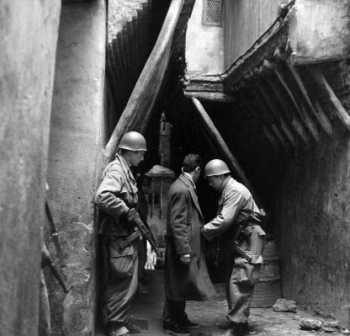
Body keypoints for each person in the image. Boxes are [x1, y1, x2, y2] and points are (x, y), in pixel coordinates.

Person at [95, 131, 157, 336]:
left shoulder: (125, 170)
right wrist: (124, 210)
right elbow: (103, 196)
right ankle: (115, 325)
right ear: (130, 152)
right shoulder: (116, 171)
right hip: (118, 239)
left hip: (124, 238)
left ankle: (118, 319)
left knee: (128, 281)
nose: (142, 157)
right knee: (121, 281)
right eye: (140, 153)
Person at [202, 159, 266, 336]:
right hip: (242, 237)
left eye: (211, 179)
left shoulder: (234, 191)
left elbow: (225, 219)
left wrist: (204, 231)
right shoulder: (228, 189)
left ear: (221, 176)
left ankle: (237, 326)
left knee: (240, 280)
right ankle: (238, 321)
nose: (210, 183)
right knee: (234, 279)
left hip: (250, 238)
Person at [163, 154, 216, 335]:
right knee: (177, 284)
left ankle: (179, 317)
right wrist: (183, 250)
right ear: (197, 170)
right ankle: (172, 321)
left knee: (181, 282)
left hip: (185, 244)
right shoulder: (182, 190)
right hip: (182, 246)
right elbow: (177, 222)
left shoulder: (183, 186)